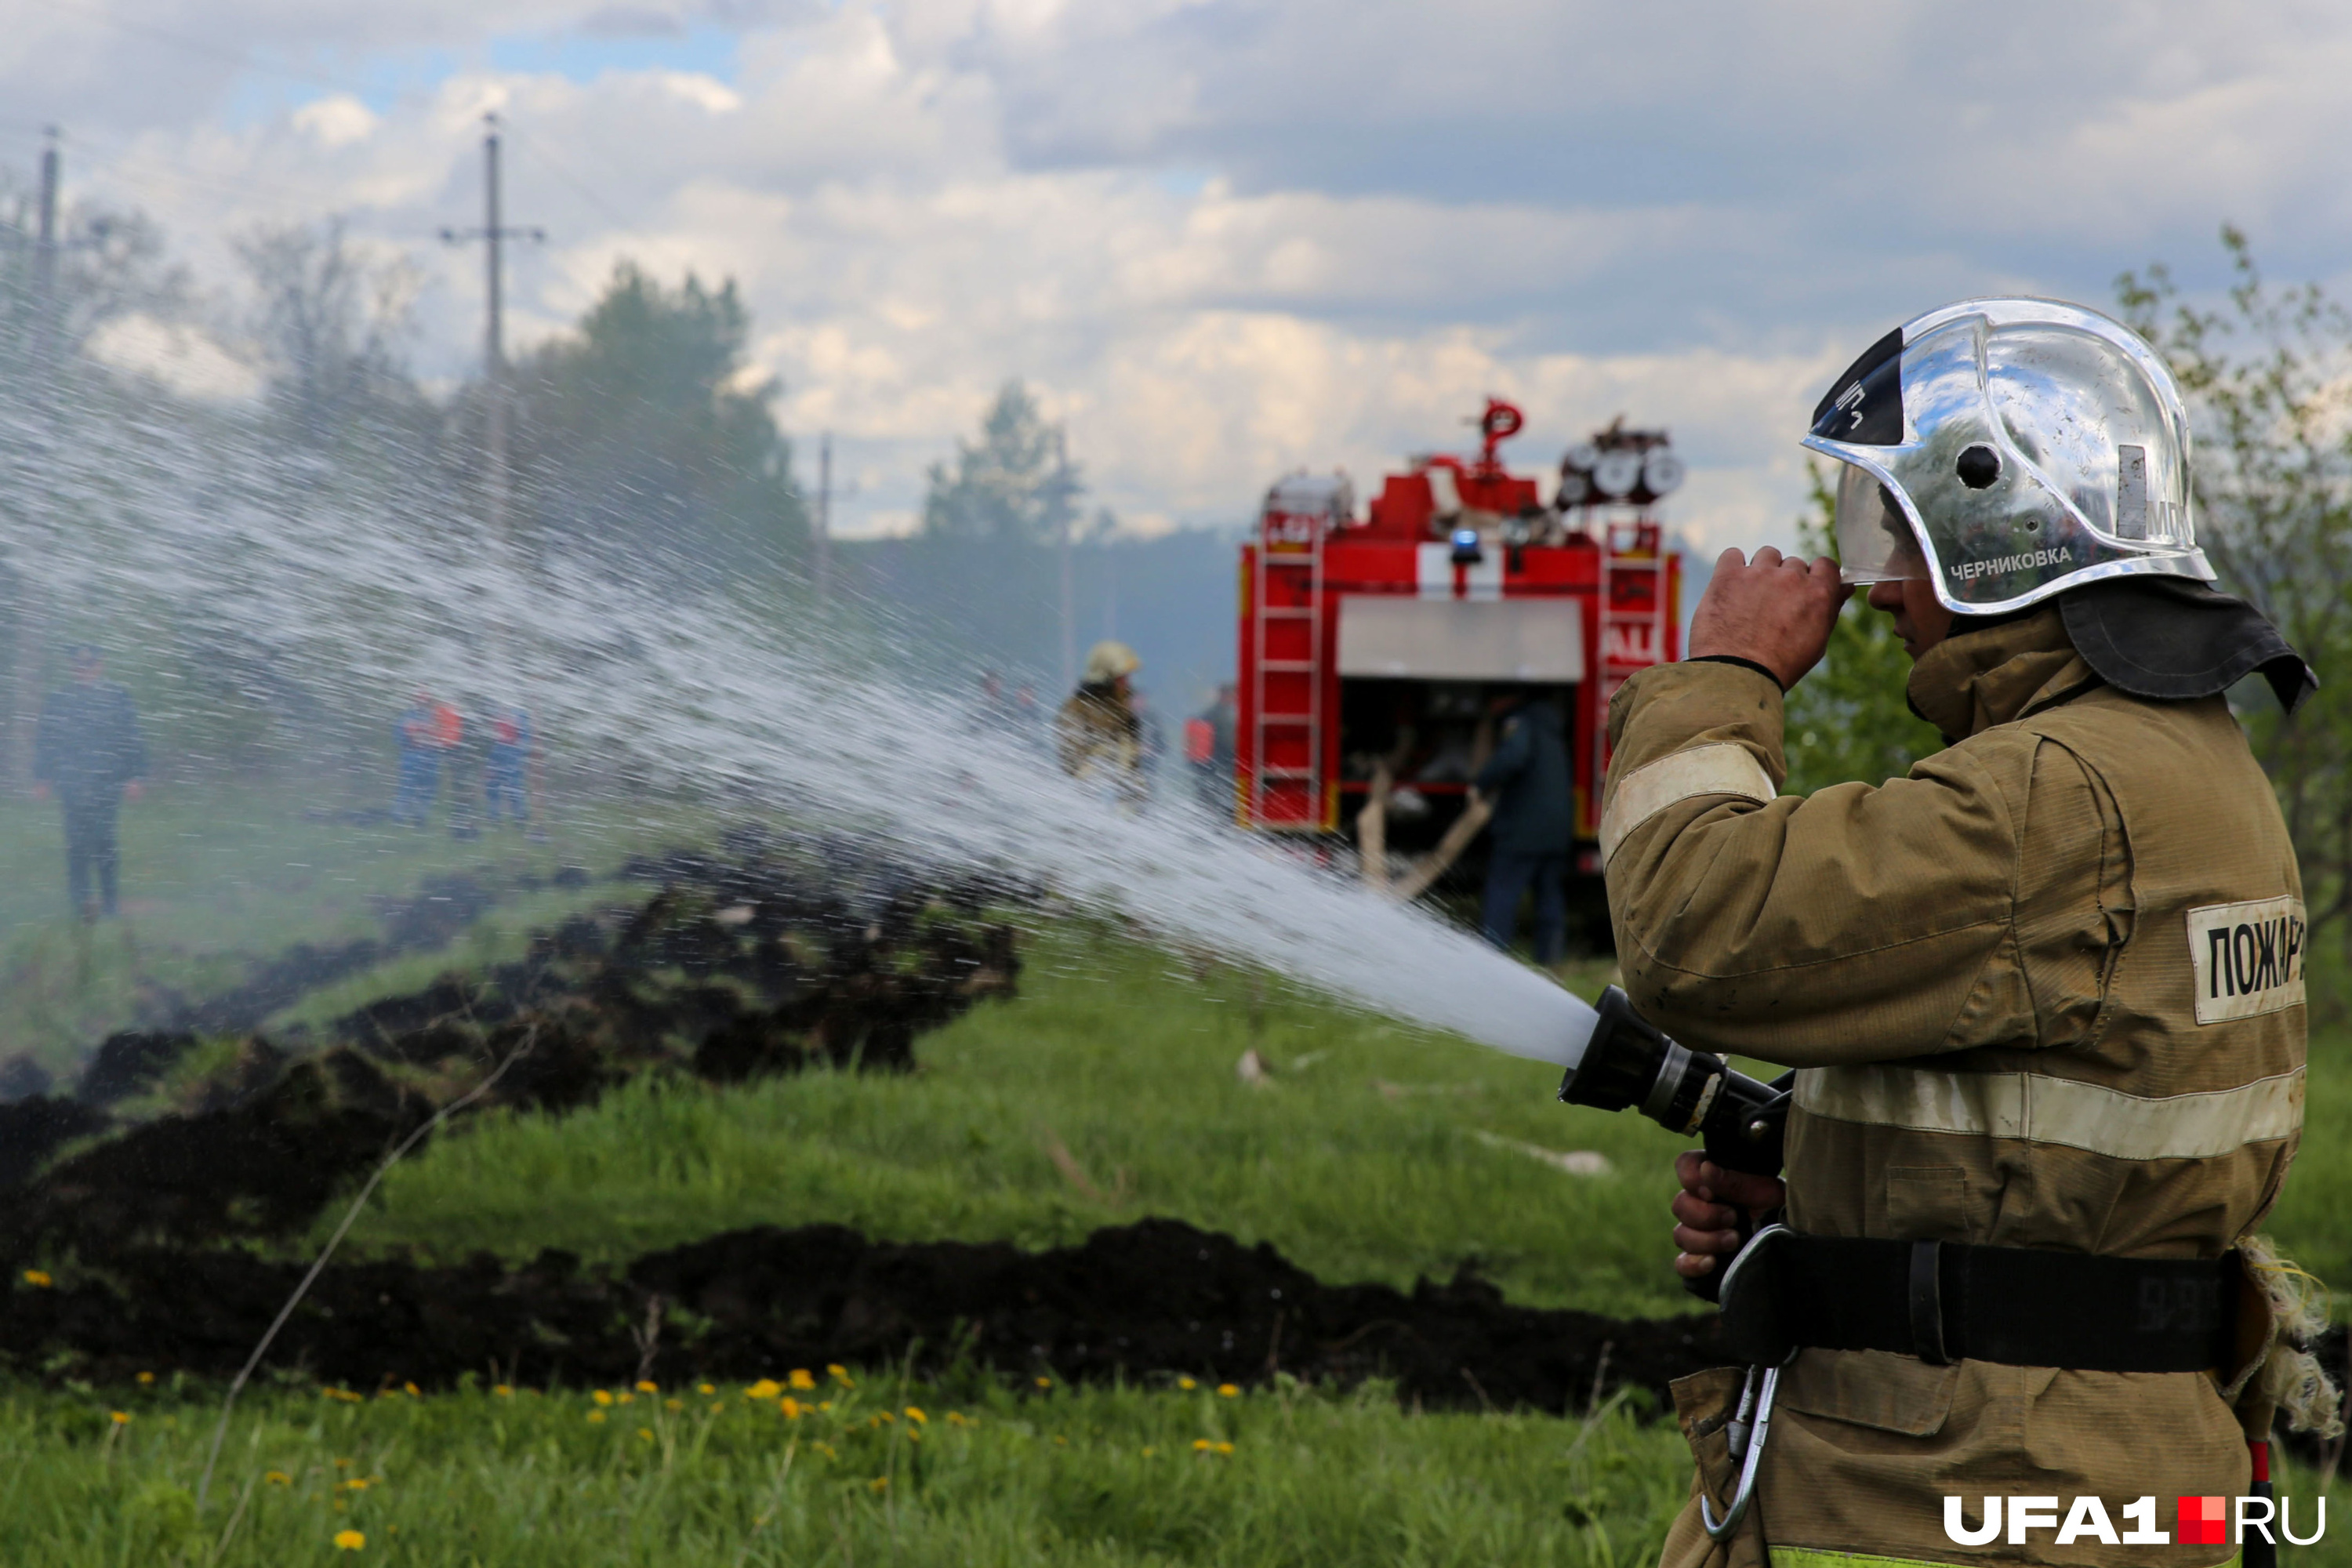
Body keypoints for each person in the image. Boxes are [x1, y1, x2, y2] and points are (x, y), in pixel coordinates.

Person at [1604, 299, 2328, 1568]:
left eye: (1896, 529)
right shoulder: (2194, 768)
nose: (1877, 587)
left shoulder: (2055, 792)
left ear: (1991, 529)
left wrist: (1727, 675)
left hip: (1958, 1481)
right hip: (2105, 1463)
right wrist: (1842, 1194)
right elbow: (2096, 1137)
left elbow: (1689, 929)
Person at [33, 645, 147, 920]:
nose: (84, 670)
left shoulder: (117, 697)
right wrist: (42, 777)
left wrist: (136, 776)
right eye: (79, 665)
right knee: (76, 844)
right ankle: (80, 904)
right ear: (72, 666)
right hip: (72, 783)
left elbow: (131, 737)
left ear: (100, 665)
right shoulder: (59, 700)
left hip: (107, 782)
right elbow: (46, 741)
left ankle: (110, 904)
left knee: (105, 842)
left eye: (90, 665)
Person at [1472, 688, 1574, 962]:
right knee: (1549, 898)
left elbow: (1513, 756)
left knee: (1503, 893)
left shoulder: (1519, 722)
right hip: (1557, 831)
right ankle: (1550, 960)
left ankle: (1492, 958)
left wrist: (1479, 785)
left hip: (1522, 830)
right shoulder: (1551, 726)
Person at [1055, 641, 1145, 804]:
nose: (1126, 683)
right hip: (1087, 799)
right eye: (1121, 678)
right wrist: (1104, 756)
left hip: (1121, 800)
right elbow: (1071, 761)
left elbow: (1132, 758)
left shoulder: (1123, 711)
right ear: (1106, 679)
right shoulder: (1076, 709)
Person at [392, 688, 461, 826]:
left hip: (426, 755)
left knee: (423, 788)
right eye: (421, 700)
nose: (423, 703)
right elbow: (399, 736)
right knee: (412, 787)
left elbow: (444, 735)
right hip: (418, 755)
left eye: (425, 700)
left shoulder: (433, 716)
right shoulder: (412, 716)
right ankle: (403, 817)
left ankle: (416, 817)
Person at [1185, 682, 1238, 818]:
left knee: (1209, 807)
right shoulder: (1222, 715)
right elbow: (1229, 743)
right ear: (1227, 695)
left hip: (1208, 769)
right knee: (1224, 807)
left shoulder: (1209, 713)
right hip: (1221, 769)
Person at [484, 704, 533, 826]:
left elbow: (524, 738)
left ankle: (518, 817)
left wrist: (517, 752)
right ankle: (496, 816)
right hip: (500, 751)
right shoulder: (500, 709)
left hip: (509, 752)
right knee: (494, 786)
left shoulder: (519, 713)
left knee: (511, 786)